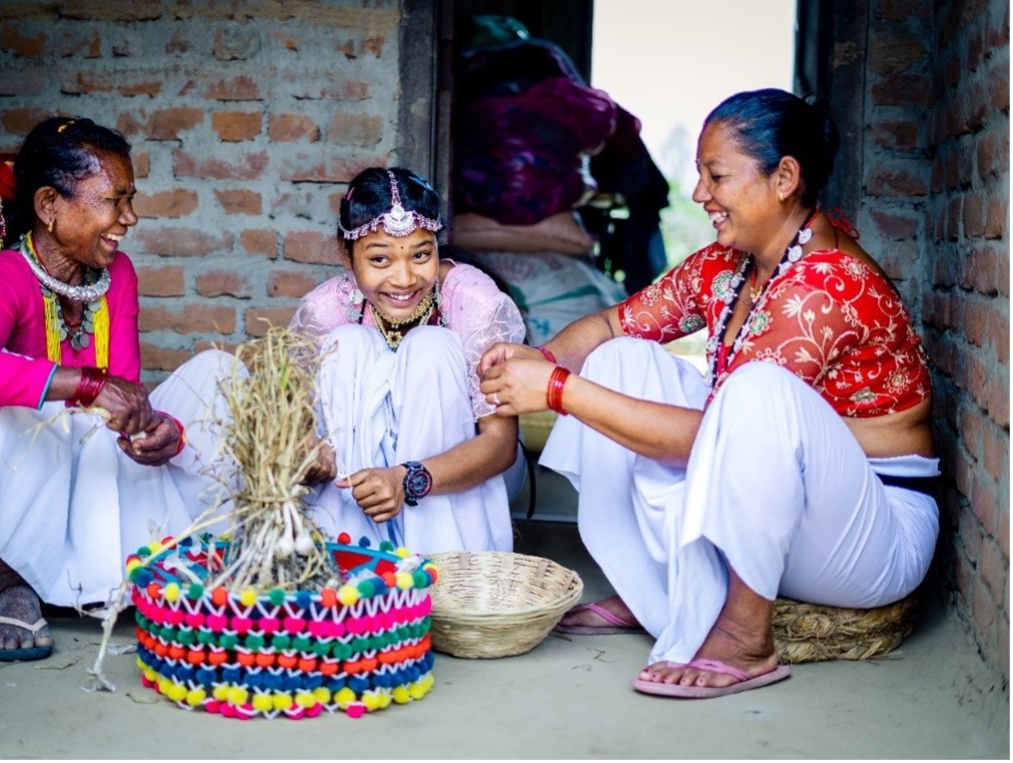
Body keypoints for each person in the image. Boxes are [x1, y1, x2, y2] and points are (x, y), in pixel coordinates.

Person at [479, 89, 939, 699]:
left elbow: (720, 438)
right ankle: (653, 588)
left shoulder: (823, 287)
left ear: (784, 178)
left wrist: (559, 391)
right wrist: (534, 364)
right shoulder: (731, 263)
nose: (698, 193)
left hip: (872, 530)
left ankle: (747, 641)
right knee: (621, 360)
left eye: (715, 175)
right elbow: (610, 326)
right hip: (794, 504)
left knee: (755, 392)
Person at [0, 117, 238, 662]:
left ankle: (157, 557)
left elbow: (124, 392)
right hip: (1, 508)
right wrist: (85, 385)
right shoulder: (5, 276)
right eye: (115, 201)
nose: (129, 218)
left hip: (95, 491)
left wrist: (152, 432)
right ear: (50, 205)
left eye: (129, 200)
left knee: (219, 373)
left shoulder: (117, 276)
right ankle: (13, 582)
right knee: (4, 388)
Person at [288, 167, 527, 554]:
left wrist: (405, 478)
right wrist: (311, 454)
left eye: (421, 254)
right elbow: (295, 430)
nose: (404, 279)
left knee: (431, 346)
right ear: (345, 255)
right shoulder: (326, 310)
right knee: (347, 343)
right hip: (362, 488)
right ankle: (350, 554)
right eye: (380, 260)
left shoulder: (475, 303)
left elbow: (501, 446)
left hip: (463, 477)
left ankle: (442, 563)